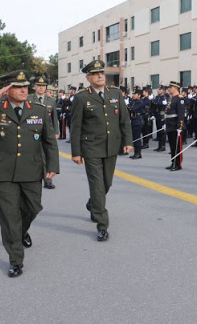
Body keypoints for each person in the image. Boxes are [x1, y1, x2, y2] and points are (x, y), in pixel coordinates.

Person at [0, 70, 59, 277]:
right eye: (18, 86)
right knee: (8, 217)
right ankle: (15, 259)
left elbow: (49, 141)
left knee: (33, 207)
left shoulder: (39, 110)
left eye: (26, 86)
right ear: (7, 90)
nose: (24, 89)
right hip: (3, 171)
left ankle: (21, 231)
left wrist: (52, 166)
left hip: (32, 169)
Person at [70, 60, 133, 242]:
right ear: (88, 77)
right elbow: (76, 127)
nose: (100, 76)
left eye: (102, 74)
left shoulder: (115, 93)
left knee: (107, 184)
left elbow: (124, 120)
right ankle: (102, 225)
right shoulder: (82, 98)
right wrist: (76, 152)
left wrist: (128, 141)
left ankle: (93, 205)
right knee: (97, 186)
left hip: (112, 146)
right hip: (91, 148)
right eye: (95, 74)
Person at [27, 76, 60, 189]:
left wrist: (56, 131)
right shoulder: (29, 99)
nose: (41, 88)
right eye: (39, 85)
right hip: (32, 132)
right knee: (33, 155)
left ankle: (47, 179)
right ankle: (32, 177)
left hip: (48, 133)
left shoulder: (51, 100)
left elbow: (54, 117)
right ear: (34, 87)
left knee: (47, 155)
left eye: (43, 86)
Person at [164, 82, 185, 171]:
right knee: (172, 145)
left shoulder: (179, 99)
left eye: (171, 87)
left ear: (176, 88)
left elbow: (181, 114)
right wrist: (166, 123)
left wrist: (180, 127)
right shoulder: (171, 98)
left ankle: (178, 164)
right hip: (170, 124)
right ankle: (173, 162)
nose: (169, 89)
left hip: (175, 125)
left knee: (177, 146)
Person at [128, 88, 145, 160]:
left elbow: (132, 109)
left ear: (139, 95)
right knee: (134, 138)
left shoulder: (139, 102)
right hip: (133, 121)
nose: (133, 95)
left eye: (135, 94)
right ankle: (135, 153)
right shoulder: (133, 101)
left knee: (137, 138)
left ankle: (138, 153)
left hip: (137, 122)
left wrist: (129, 107)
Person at [152, 86, 167, 152]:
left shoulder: (165, 97)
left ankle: (163, 146)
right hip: (157, 115)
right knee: (159, 131)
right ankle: (159, 146)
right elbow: (154, 104)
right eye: (158, 89)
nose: (158, 90)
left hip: (162, 116)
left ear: (163, 90)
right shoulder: (157, 97)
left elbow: (165, 105)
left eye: (160, 89)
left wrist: (159, 103)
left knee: (162, 132)